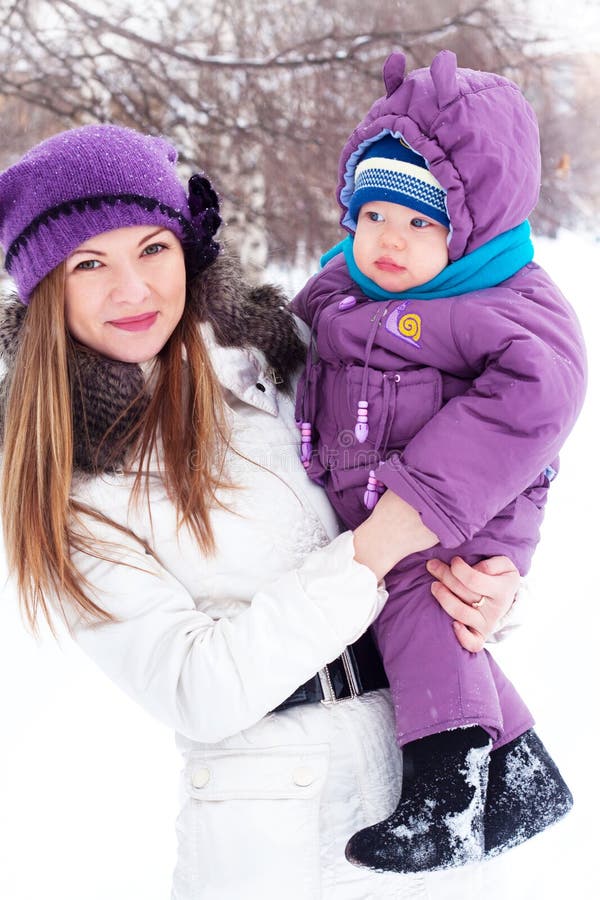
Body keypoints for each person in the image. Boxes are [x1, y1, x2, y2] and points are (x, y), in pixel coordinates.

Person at [0, 123, 532, 900]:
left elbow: (445, 476)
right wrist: (374, 551)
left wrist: (486, 588)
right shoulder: (74, 477)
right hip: (270, 834)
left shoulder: (289, 358)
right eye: (90, 264)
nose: (134, 289)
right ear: (47, 288)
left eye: (153, 247)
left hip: (419, 783)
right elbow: (197, 688)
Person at [291, 49, 585, 873]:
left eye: (421, 223)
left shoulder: (497, 301)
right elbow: (303, 336)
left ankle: (446, 798)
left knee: (421, 607)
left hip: (464, 502)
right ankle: (521, 773)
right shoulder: (343, 291)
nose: (390, 240)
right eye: (375, 214)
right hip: (395, 498)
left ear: (469, 229)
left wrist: (419, 498)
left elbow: (542, 391)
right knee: (442, 618)